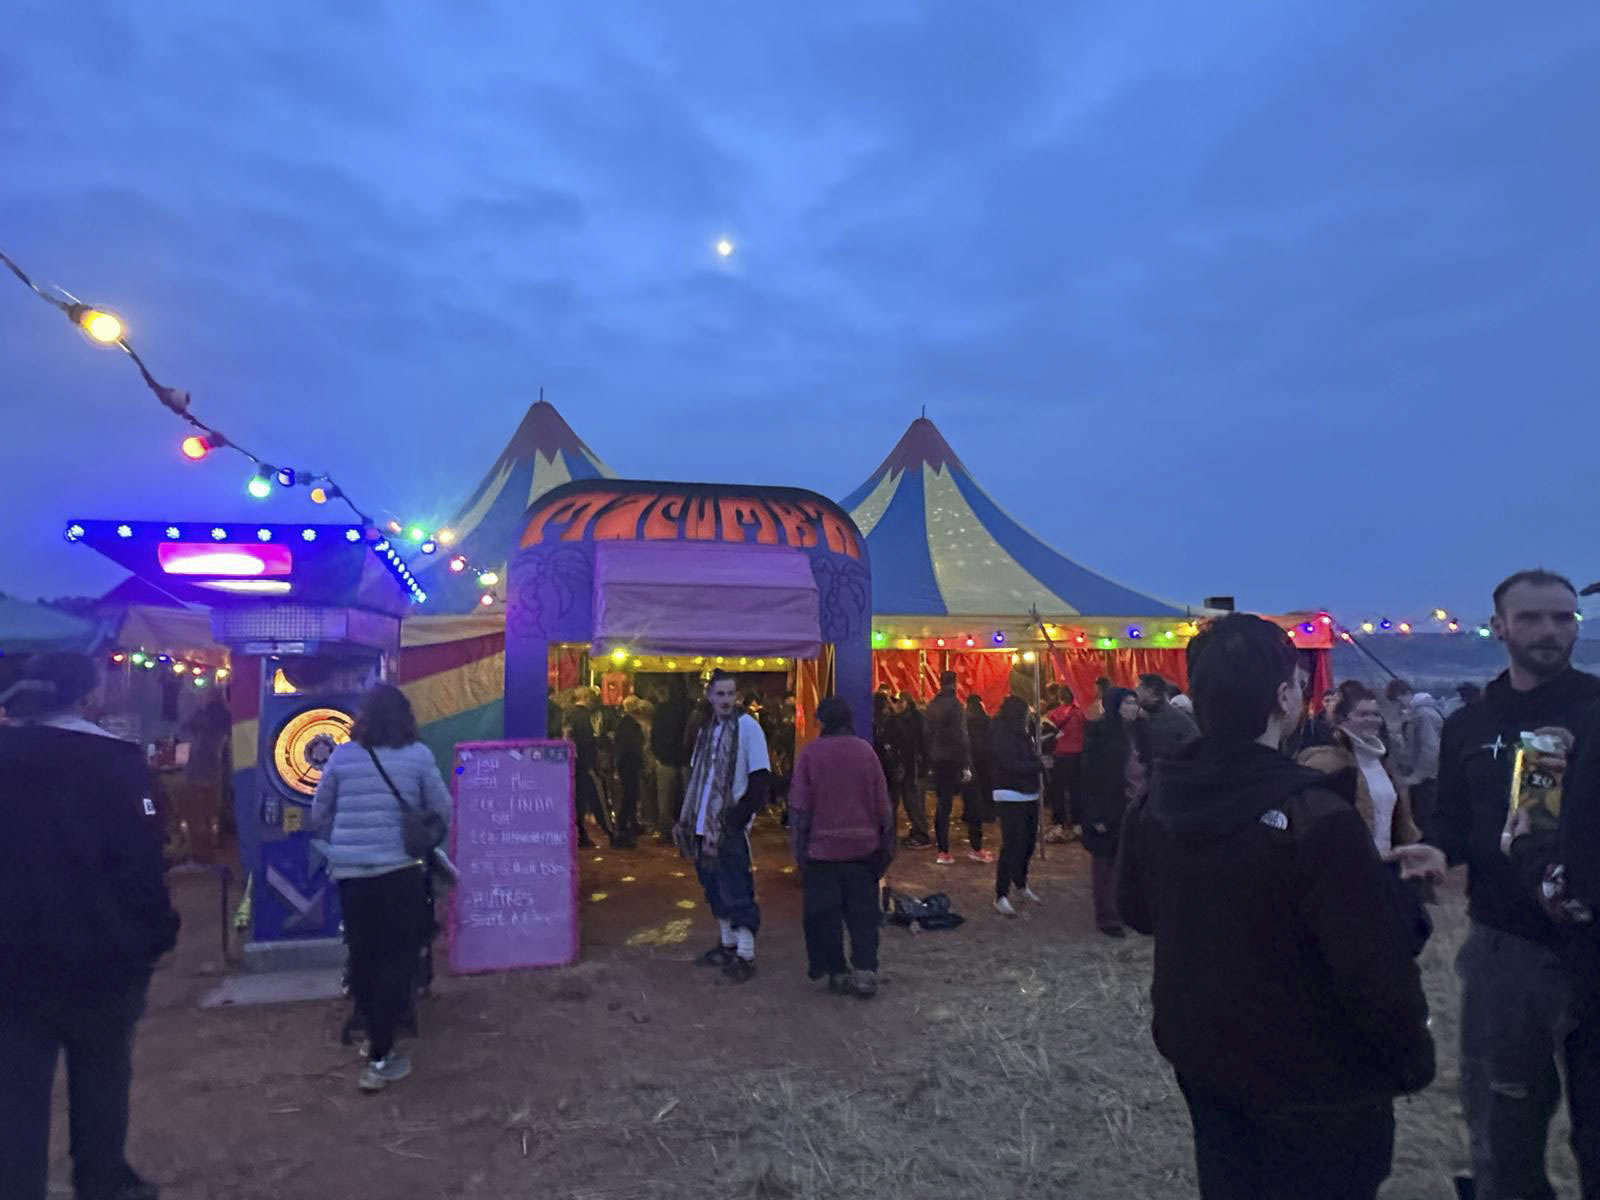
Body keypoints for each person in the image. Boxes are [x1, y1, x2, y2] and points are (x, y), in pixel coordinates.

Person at [1116, 614, 1435, 1200]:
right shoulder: (1315, 815)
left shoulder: (1160, 798)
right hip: (1313, 1079)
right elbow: (1373, 965)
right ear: (1285, 698)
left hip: (1205, 1052)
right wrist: (1412, 1059)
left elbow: (1137, 909)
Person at [1404, 570, 1600, 1200]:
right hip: (1504, 947)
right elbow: (1452, 820)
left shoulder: (1596, 709)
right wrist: (1436, 848)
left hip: (1595, 945)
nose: (1551, 630)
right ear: (1500, 627)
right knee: (1503, 1122)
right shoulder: (1469, 724)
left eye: (1564, 618)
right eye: (1534, 618)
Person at [0, 653, 180, 1200]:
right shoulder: (119, 763)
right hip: (105, 952)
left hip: (13, 956)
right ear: (86, 696)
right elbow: (142, 859)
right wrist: (157, 931)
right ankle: (101, 1177)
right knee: (102, 1068)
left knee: (16, 1086)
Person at [311, 684, 450, 1093]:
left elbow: (319, 811)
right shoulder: (418, 756)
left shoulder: (342, 754)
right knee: (397, 958)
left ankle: (369, 1030)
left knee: (363, 952)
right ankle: (380, 1054)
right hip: (400, 872)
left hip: (352, 873)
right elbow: (442, 809)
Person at [788, 696, 895, 998]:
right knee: (863, 916)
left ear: (822, 721)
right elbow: (883, 806)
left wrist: (799, 854)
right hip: (863, 851)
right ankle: (865, 971)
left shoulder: (810, 755)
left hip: (822, 853)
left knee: (825, 917)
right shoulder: (865, 752)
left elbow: (800, 809)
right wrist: (886, 848)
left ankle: (836, 971)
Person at [674, 670, 772, 983]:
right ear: (710, 697)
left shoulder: (748, 728)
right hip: (703, 825)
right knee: (714, 887)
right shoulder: (707, 730)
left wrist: (735, 819)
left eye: (731, 694)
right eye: (720, 694)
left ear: (738, 696)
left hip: (727, 826)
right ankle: (728, 945)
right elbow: (696, 777)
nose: (726, 700)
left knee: (737, 889)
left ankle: (745, 953)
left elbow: (760, 781)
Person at [1298, 686, 1422, 854]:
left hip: (1383, 862)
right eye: (1363, 714)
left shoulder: (1384, 763)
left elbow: (1398, 823)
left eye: (1375, 714)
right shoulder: (1326, 763)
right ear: (1342, 719)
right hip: (1344, 863)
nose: (1372, 719)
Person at [1081, 688, 1148, 937]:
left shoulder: (1142, 732)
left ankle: (1126, 911)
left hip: (1137, 805)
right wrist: (1095, 814)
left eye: (1134, 703)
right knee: (1106, 865)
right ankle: (1107, 916)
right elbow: (1091, 777)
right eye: (1127, 703)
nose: (1132, 708)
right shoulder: (1101, 735)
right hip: (1109, 807)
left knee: (1129, 863)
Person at [989, 696, 1043, 916]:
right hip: (1009, 793)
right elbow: (1010, 764)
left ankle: (1020, 883)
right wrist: (1038, 764)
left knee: (1028, 844)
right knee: (1012, 845)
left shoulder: (1023, 734)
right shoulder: (1001, 736)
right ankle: (1001, 894)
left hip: (1029, 794)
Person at [924, 671, 973, 866]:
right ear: (954, 683)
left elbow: (926, 734)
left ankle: (943, 850)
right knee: (970, 800)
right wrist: (966, 763)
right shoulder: (956, 706)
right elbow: (961, 736)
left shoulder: (932, 705)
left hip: (937, 758)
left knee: (942, 805)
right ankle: (975, 846)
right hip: (954, 758)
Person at [649, 681, 691, 844]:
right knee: (687, 796)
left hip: (667, 759)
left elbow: (655, 734)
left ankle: (666, 830)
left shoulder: (662, 710)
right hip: (686, 759)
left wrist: (658, 754)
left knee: (665, 798)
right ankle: (685, 829)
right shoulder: (690, 708)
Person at [1401, 689, 1446, 836]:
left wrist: (1418, 775)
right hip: (1433, 774)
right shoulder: (1433, 711)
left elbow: (1430, 746)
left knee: (1423, 817)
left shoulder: (1423, 714)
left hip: (1426, 778)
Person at [890, 691, 931, 849]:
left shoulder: (911, 719)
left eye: (900, 702)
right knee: (910, 802)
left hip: (911, 767)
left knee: (912, 802)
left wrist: (923, 765)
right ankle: (918, 833)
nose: (897, 705)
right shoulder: (908, 718)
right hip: (908, 766)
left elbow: (920, 743)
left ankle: (921, 834)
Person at [1045, 686, 1085, 835]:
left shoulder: (1053, 714)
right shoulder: (1080, 713)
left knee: (1058, 791)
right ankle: (1077, 822)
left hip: (1059, 756)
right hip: (1077, 755)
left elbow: (1046, 736)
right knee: (1076, 790)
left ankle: (1059, 822)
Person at [962, 694, 996, 862]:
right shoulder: (988, 720)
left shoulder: (965, 722)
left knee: (971, 794)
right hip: (986, 761)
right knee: (986, 789)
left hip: (971, 761)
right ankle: (988, 814)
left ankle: (971, 816)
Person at [1137, 673, 1200, 762]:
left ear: (1150, 691)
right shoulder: (1145, 715)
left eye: (1139, 689)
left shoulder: (1172, 718)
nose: (1136, 693)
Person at [613, 696, 646, 850]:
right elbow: (629, 748)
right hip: (629, 765)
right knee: (628, 798)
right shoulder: (630, 725)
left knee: (629, 797)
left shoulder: (623, 723)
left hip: (627, 764)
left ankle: (627, 825)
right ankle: (622, 828)